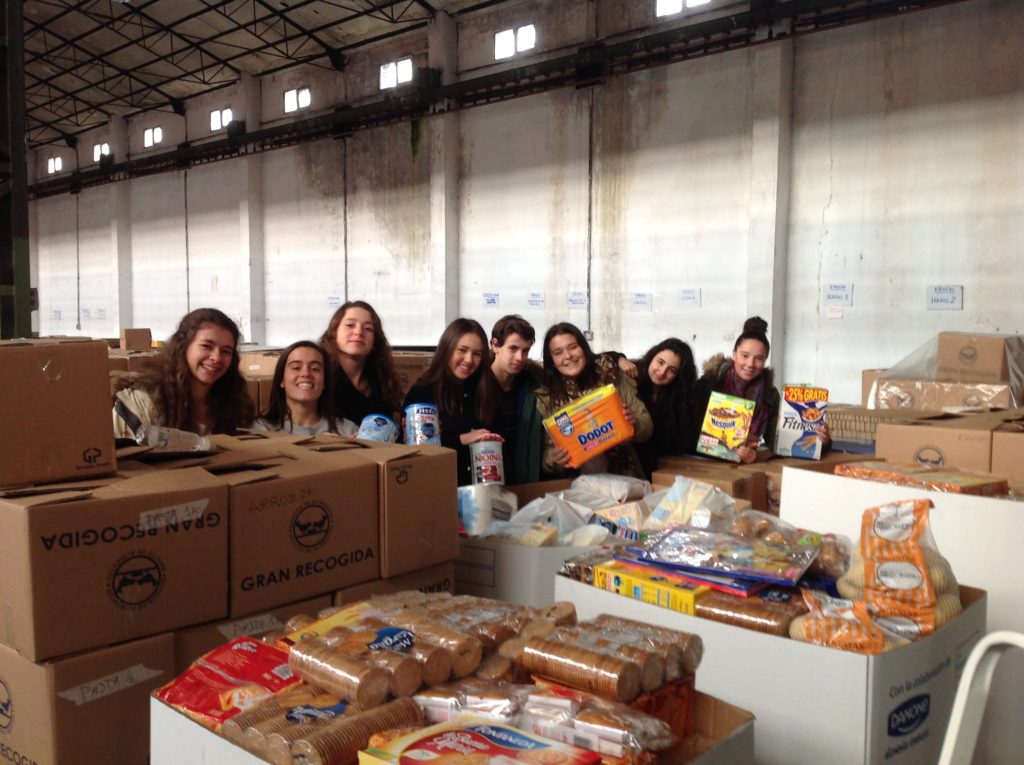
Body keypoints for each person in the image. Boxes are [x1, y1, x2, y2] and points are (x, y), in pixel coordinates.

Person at [695, 316, 829, 463]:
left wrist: (821, 441)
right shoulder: (710, 384)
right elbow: (689, 436)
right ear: (734, 354)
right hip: (705, 464)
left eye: (759, 358)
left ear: (765, 360)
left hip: (747, 466)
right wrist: (730, 447)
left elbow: (775, 444)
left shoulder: (769, 394)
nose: (750, 364)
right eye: (745, 355)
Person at [113, 307, 255, 438]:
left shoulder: (234, 404)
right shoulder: (141, 404)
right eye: (206, 346)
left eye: (226, 351)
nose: (216, 358)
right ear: (184, 347)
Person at [534, 322, 653, 477]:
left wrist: (635, 424)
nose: (568, 356)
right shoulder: (546, 397)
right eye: (558, 352)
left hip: (625, 478)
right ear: (553, 362)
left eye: (573, 347)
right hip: (577, 487)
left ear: (584, 349)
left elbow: (647, 426)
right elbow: (543, 456)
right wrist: (554, 458)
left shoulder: (612, 375)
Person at [404, 318, 501, 486]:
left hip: (479, 493)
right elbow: (414, 451)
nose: (469, 360)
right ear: (447, 350)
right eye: (462, 350)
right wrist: (462, 439)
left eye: (477, 354)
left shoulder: (484, 391)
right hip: (434, 489)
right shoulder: (423, 392)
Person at [320, 301, 403, 426]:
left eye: (368, 328)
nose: (358, 332)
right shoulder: (321, 377)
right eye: (350, 325)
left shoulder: (383, 382)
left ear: (375, 340)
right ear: (334, 332)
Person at [252, 341, 356, 436]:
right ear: (281, 380)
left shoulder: (348, 431)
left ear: (324, 382)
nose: (306, 374)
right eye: (296, 368)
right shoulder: (261, 430)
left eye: (315, 369)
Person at [486, 314, 544, 485]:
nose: (520, 357)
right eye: (513, 348)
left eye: (525, 350)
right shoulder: (475, 384)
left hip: (523, 481)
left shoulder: (534, 385)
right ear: (495, 345)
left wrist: (617, 357)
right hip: (484, 479)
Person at [634, 337, 700, 477]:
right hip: (631, 466)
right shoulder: (632, 380)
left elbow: (688, 441)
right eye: (660, 362)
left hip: (663, 470)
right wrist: (619, 358)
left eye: (672, 370)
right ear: (652, 356)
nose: (662, 372)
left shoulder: (681, 399)